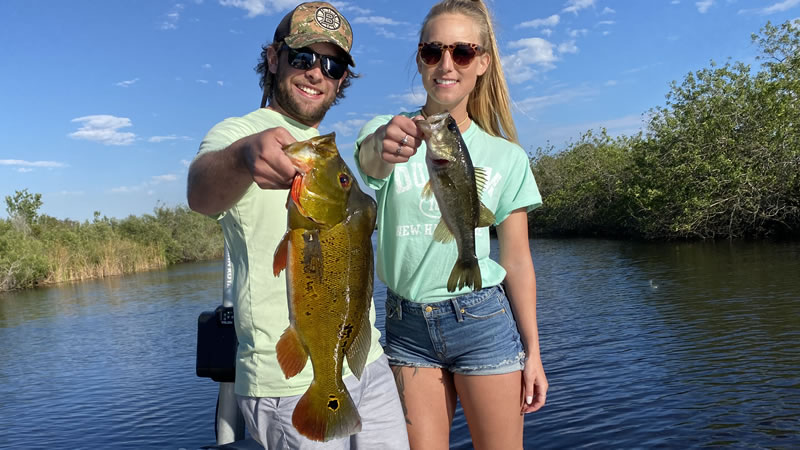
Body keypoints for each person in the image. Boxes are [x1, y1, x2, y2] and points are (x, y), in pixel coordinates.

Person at [186, 2, 409, 449]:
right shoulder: (238, 133)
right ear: (274, 58)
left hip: (367, 365)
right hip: (284, 384)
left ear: (343, 78)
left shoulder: (328, 153)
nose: (316, 73)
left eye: (333, 64)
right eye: (302, 57)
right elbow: (200, 191)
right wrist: (243, 156)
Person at [354, 0, 548, 448]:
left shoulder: (508, 157)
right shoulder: (387, 131)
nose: (446, 64)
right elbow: (369, 162)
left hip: (483, 319)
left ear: (482, 62)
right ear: (420, 59)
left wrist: (534, 353)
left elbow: (517, 261)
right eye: (432, 51)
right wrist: (383, 145)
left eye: (462, 52)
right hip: (406, 327)